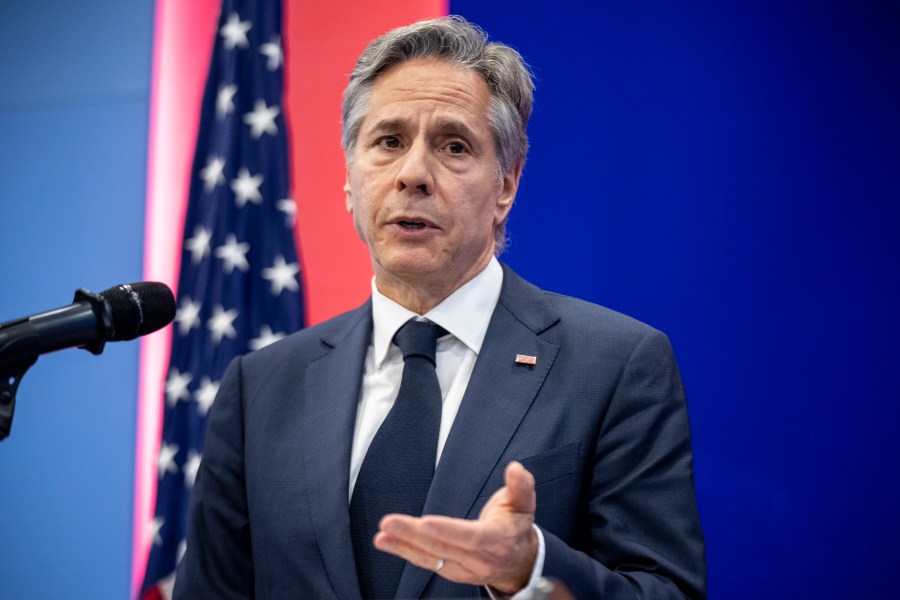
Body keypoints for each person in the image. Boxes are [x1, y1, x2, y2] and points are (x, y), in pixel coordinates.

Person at [175, 16, 706, 600]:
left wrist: (527, 573)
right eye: (388, 142)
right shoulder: (260, 387)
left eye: (454, 146)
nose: (413, 175)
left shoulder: (616, 365)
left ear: (505, 185)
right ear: (351, 180)